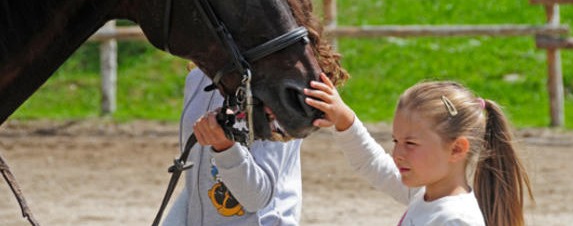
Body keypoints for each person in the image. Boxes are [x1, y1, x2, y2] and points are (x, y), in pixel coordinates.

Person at [304, 74, 533, 226]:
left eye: (410, 144)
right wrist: (343, 119)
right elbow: (371, 162)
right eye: (395, 141)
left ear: (456, 149)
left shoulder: (456, 219)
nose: (398, 154)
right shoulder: (423, 195)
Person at [161, 67, 302, 225]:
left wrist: (225, 148)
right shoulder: (197, 78)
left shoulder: (274, 79)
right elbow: (197, 182)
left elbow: (256, 199)